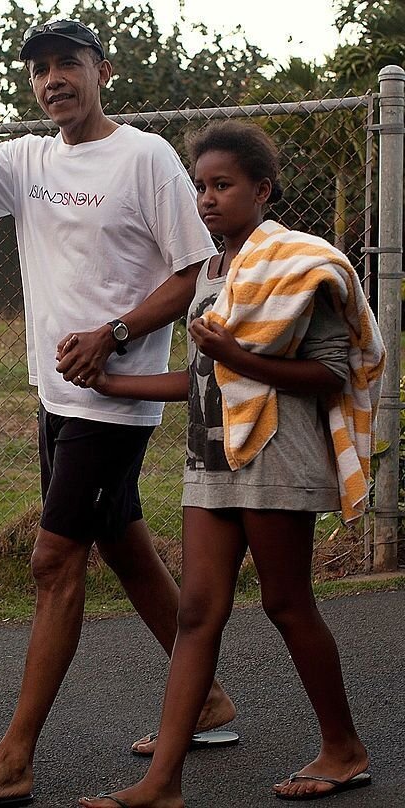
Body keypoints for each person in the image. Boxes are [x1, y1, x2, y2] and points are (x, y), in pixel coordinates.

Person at [0, 19, 237, 806]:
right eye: (41, 70)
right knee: (122, 544)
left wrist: (118, 333)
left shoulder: (145, 158)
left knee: (54, 561)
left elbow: (197, 269)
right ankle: (210, 701)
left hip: (115, 401)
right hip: (57, 394)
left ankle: (15, 757)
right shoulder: (28, 159)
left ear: (103, 71)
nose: (53, 79)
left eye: (68, 65)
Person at [77, 121, 383, 808]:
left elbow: (330, 372)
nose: (207, 199)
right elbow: (200, 377)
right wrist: (114, 384)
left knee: (285, 601)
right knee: (195, 612)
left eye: (223, 186)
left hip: (277, 452)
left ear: (262, 190)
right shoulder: (209, 274)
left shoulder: (298, 266)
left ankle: (344, 748)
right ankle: (163, 783)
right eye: (200, 187)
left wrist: (236, 357)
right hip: (210, 455)